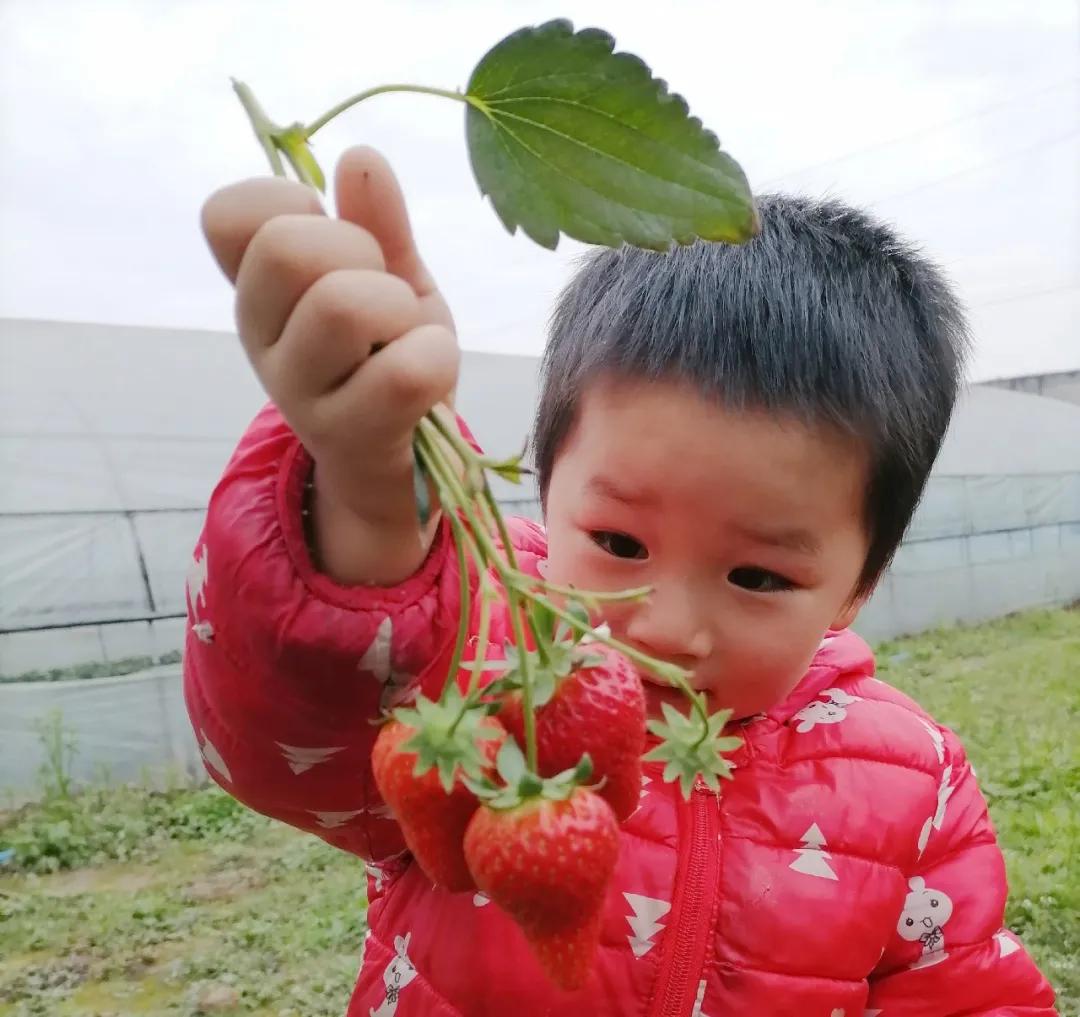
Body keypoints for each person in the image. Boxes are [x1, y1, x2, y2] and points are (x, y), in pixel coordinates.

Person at [184, 146, 1057, 1015]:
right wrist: (371, 509)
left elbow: (963, 993)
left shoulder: (914, 779)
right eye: (618, 541)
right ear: (548, 489)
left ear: (857, 587)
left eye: (756, 573)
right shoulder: (474, 673)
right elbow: (293, 747)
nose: (667, 627)